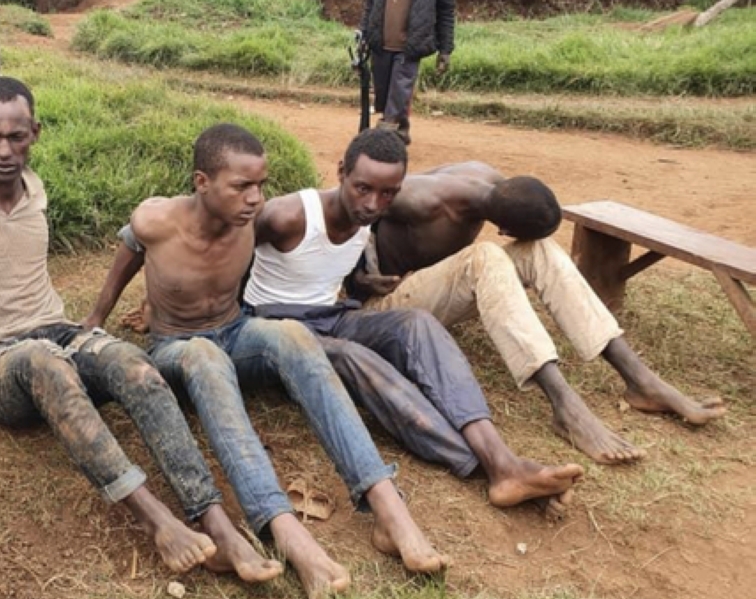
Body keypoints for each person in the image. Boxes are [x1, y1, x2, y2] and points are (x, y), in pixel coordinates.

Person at [0, 78, 283, 583]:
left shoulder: (36, 189)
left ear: (36, 133)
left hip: (58, 331)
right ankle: (156, 520)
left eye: (17, 136)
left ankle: (215, 521)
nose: (4, 150)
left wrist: (88, 329)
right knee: (41, 360)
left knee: (132, 364)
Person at [85, 124, 448, 599]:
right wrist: (96, 318)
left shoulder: (254, 222)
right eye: (241, 186)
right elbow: (128, 255)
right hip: (178, 348)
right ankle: (286, 531)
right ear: (201, 183)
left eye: (261, 185)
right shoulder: (156, 220)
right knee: (205, 355)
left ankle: (387, 506)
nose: (255, 198)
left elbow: (327, 231)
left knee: (294, 334)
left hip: (236, 332)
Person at [244, 129, 583, 512]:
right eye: (363, 189)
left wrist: (361, 281)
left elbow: (324, 270)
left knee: (417, 323)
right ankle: (492, 468)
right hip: (272, 326)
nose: (373, 204)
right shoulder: (286, 215)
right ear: (341, 173)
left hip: (330, 316)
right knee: (352, 356)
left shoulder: (367, 215)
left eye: (388, 193)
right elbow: (229, 258)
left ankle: (503, 461)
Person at [347, 161, 727, 464]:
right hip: (378, 306)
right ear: (506, 227)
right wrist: (360, 280)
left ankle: (640, 378)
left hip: (425, 288)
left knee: (540, 250)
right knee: (485, 258)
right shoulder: (420, 201)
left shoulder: (486, 178)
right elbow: (347, 211)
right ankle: (565, 405)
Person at [359, 0, 455, 145]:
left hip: (412, 44)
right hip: (380, 40)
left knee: (398, 96)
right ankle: (400, 129)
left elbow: (446, 8)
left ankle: (384, 143)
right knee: (383, 96)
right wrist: (363, 33)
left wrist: (445, 49)